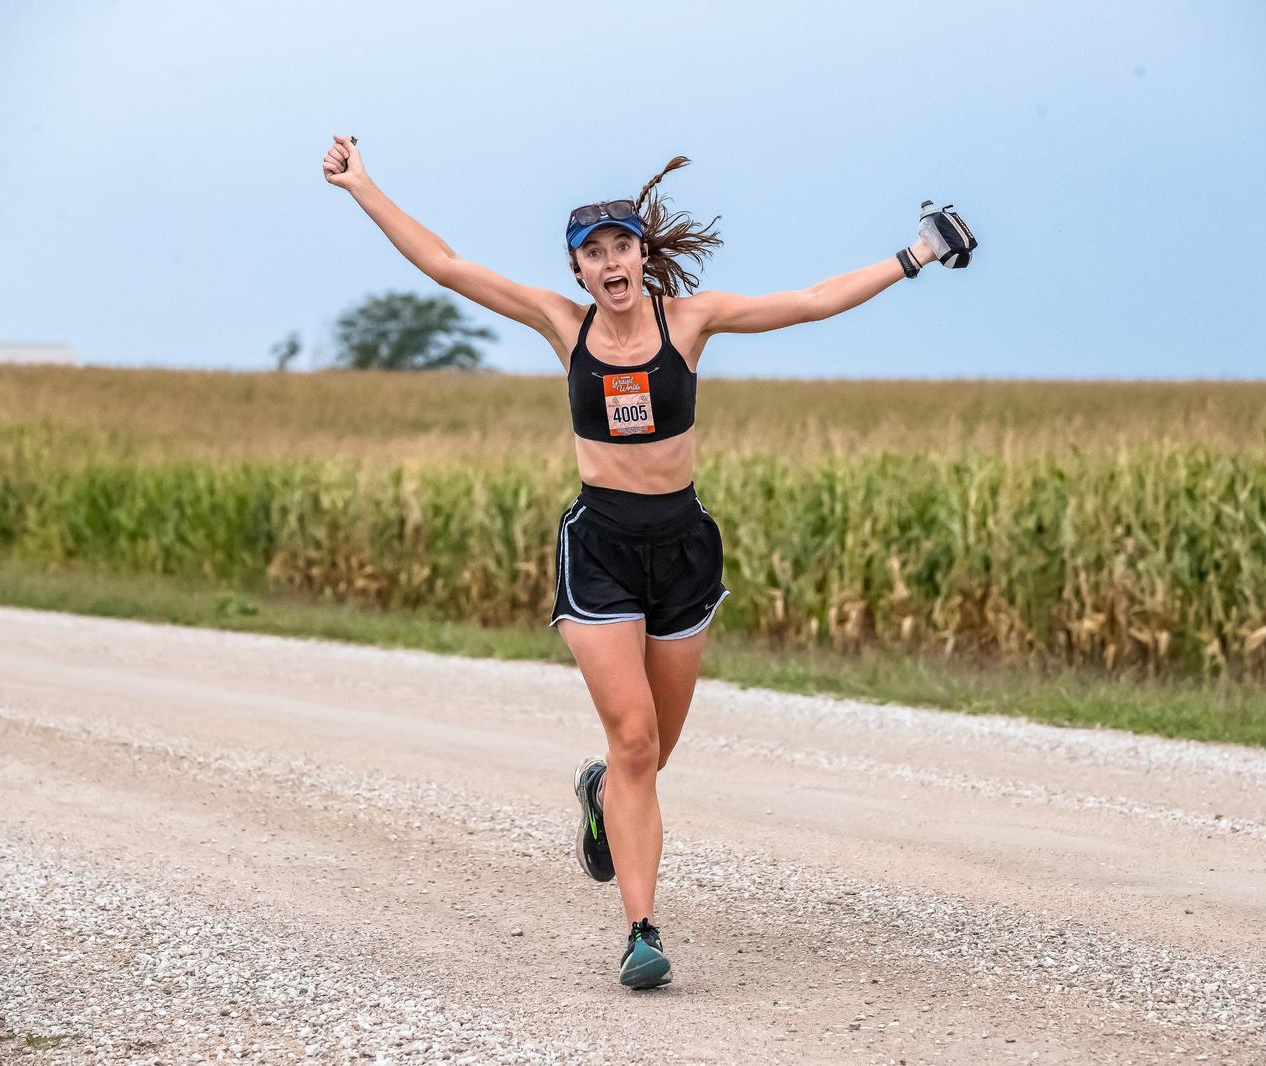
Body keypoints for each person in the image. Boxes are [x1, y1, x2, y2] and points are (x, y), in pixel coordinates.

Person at [322, 136, 977, 989]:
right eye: (592, 253)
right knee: (633, 738)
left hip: (681, 550)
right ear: (580, 269)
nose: (610, 262)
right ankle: (642, 932)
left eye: (621, 246)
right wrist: (364, 186)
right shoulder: (564, 325)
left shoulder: (690, 322)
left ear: (641, 254)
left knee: (650, 753)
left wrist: (916, 252)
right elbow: (447, 265)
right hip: (599, 549)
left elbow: (812, 300)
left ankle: (602, 798)